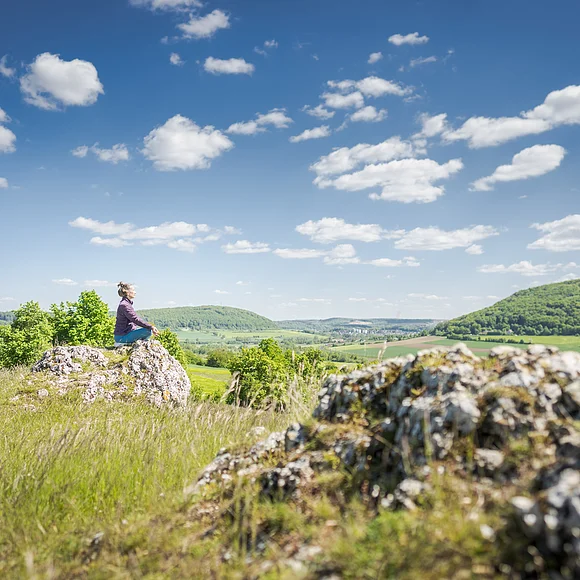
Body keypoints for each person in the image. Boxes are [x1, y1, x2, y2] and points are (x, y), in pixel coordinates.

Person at [114, 282, 159, 346]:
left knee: (147, 330)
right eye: (133, 290)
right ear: (127, 292)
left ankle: (138, 343)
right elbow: (135, 319)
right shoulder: (125, 305)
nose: (135, 292)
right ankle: (124, 343)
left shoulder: (126, 304)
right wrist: (151, 327)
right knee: (148, 331)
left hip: (124, 334)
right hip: (122, 337)